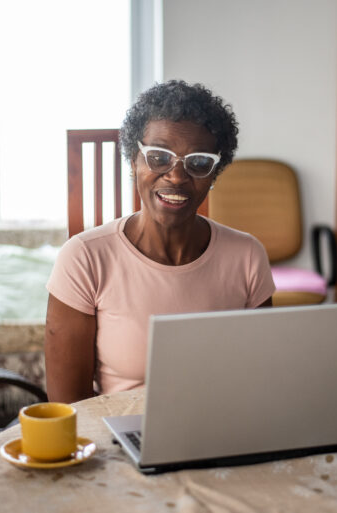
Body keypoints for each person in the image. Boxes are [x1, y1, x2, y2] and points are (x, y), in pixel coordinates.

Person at [45, 80, 275, 403]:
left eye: (197, 163)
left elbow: (261, 384)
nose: (177, 176)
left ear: (213, 174)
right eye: (158, 157)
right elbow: (68, 411)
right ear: (133, 162)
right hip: (120, 446)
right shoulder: (84, 260)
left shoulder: (247, 257)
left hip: (223, 437)